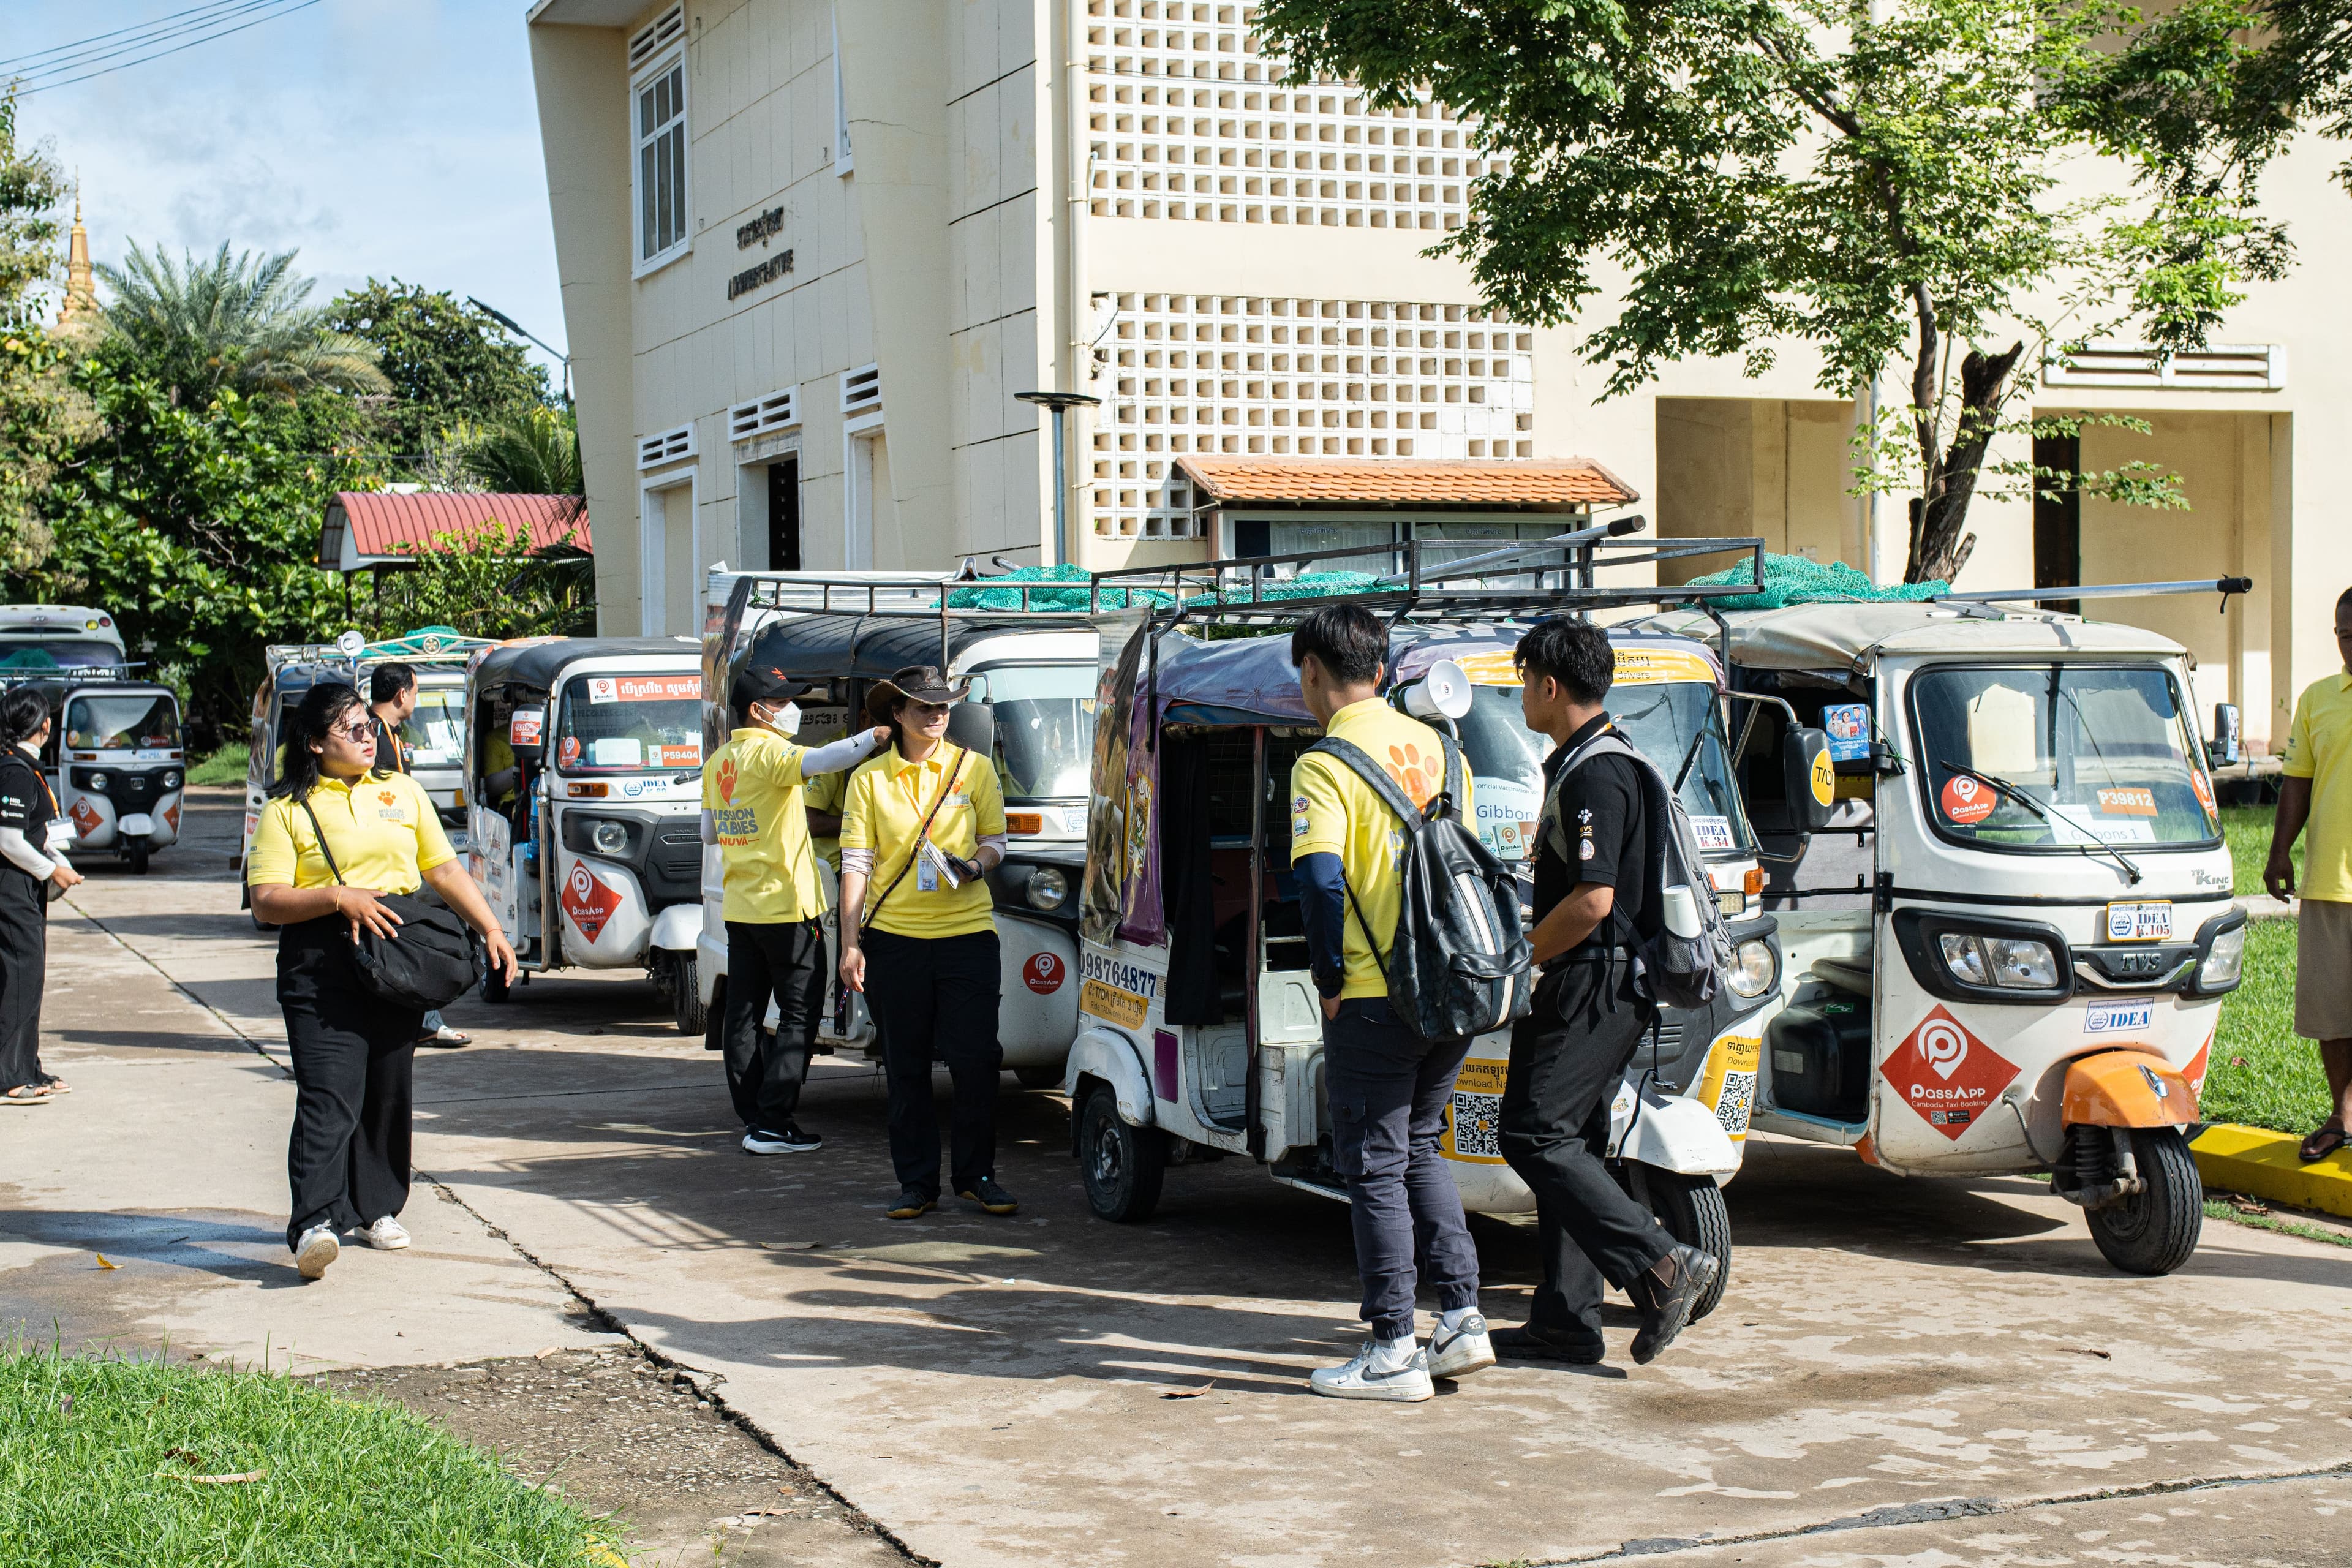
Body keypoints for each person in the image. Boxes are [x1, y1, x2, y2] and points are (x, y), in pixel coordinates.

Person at [1286, 602, 1490, 1403]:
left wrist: (1330, 981)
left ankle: (1392, 1347)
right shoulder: (1444, 750)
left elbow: (1321, 880)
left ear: (1313, 673)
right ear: (1382, 664)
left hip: (1373, 995)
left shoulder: (1324, 765)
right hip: (1452, 990)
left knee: (1370, 1159)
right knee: (1419, 1147)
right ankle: (1463, 1319)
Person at [1499, 618, 1717, 1367]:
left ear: (1550, 685)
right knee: (1577, 1140)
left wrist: (1519, 955)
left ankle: (1663, 1265)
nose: (1519, 691)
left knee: (1534, 1134)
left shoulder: (1597, 772)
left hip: (1595, 982)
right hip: (1603, 980)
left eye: (1523, 678)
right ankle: (1566, 1319)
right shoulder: (1590, 761)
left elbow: (1595, 901)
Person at [247, 681, 519, 1281]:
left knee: (388, 1090)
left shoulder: (403, 792)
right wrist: (337, 897)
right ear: (316, 743)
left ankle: (377, 1209)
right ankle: (315, 1223)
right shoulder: (287, 810)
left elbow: (444, 869)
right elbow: (266, 900)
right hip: (321, 965)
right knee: (328, 1094)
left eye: (369, 726)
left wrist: (492, 929)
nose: (368, 737)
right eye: (352, 730)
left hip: (397, 954)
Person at [836, 665, 1014, 1221]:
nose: (936, 716)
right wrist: (850, 943)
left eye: (943, 707)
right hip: (895, 940)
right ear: (898, 714)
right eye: (923, 707)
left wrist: (976, 866)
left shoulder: (974, 768)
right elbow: (856, 865)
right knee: (906, 1066)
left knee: (976, 1061)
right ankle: (916, 1183)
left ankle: (976, 1176)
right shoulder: (869, 780)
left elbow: (996, 841)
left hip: (968, 936)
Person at [703, 663, 888, 1156]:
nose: (791, 710)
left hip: (742, 908)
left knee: (742, 1015)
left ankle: (754, 1117)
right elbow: (825, 760)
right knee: (800, 1013)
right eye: (782, 702)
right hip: (787, 907)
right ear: (757, 711)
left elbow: (708, 832)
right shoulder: (769, 751)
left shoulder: (720, 760)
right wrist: (877, 734)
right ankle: (773, 1122)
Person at [2264, 588, 2352, 1164]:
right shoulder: (2319, 699)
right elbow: (2298, 781)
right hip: (2331, 881)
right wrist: (2279, 854)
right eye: (2344, 633)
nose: (2351, 643)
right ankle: (2343, 1120)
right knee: (2331, 1009)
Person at [368, 663, 469, 1050]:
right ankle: (425, 1018)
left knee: (408, 938)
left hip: (402, 859)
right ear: (402, 694)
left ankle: (424, 1021)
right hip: (387, 866)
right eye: (416, 690)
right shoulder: (373, 736)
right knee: (420, 934)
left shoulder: (388, 733)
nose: (416, 698)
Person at [0, 689, 79, 1106]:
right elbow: (8, 840)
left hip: (25, 891)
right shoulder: (14, 771)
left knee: (29, 981)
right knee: (19, 981)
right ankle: (10, 1078)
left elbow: (33, 835)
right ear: (45, 725)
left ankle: (27, 1067)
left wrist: (56, 860)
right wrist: (53, 871)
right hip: (10, 893)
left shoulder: (27, 769)